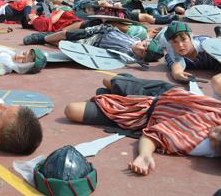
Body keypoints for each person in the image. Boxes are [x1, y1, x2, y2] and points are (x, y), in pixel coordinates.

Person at [64, 74, 221, 176]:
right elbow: (216, 80)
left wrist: (145, 155)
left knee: (72, 110)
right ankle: (119, 85)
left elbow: (153, 135)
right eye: (219, 132)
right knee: (108, 81)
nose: (213, 134)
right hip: (165, 92)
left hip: (142, 112)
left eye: (217, 141)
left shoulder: (198, 143)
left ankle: (112, 94)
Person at [23, 23, 164, 64]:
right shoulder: (137, 37)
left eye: (144, 52)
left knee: (62, 43)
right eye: (144, 46)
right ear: (145, 41)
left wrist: (141, 61)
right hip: (98, 31)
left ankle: (46, 39)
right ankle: (41, 38)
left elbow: (136, 62)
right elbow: (119, 28)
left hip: (94, 44)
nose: (141, 48)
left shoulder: (129, 56)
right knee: (66, 34)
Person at [161, 21, 221, 96]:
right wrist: (178, 74)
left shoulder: (205, 45)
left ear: (190, 38)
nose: (180, 45)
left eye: (183, 40)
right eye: (174, 42)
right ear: (170, 44)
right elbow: (176, 68)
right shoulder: (172, 54)